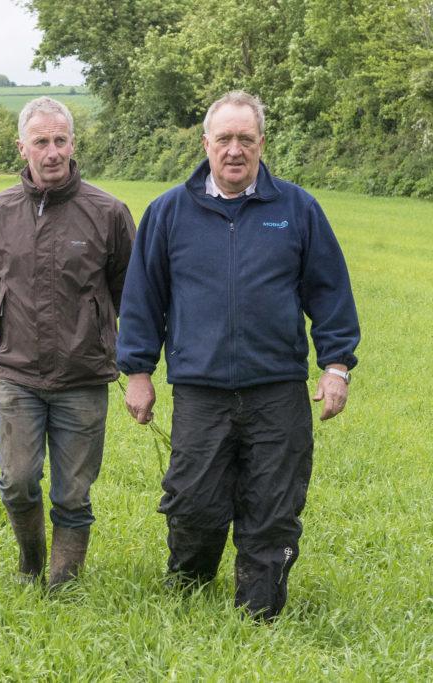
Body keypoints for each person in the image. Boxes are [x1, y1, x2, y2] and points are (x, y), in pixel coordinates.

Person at [117, 91, 360, 620]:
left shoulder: (297, 209)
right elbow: (143, 298)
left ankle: (260, 611)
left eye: (244, 139)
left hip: (277, 389)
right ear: (205, 143)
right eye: (223, 138)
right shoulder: (168, 212)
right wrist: (138, 370)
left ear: (261, 144)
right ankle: (188, 591)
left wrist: (336, 365)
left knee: (273, 504)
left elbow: (330, 292)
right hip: (200, 390)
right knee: (193, 503)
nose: (234, 150)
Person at [0, 97, 135, 586]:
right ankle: (30, 562)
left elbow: (126, 287)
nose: (52, 152)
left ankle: (64, 579)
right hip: (17, 372)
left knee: (73, 493)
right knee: (18, 482)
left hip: (83, 374)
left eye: (60, 140)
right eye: (41, 141)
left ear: (73, 143)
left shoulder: (107, 212)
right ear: (22, 147)